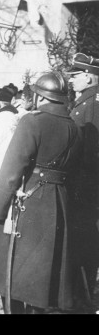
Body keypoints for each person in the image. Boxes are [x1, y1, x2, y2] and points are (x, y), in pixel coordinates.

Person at [0, 71, 82, 313]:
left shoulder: (32, 121)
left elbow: (12, 170)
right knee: (41, 274)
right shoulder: (74, 126)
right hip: (58, 203)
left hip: (28, 200)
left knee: (12, 272)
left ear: (40, 97)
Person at [66, 52, 99, 306]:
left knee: (85, 235)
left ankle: (82, 295)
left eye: (75, 76)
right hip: (81, 182)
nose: (70, 80)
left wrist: (82, 184)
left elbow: (92, 150)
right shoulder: (84, 101)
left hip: (86, 184)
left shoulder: (94, 104)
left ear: (88, 77)